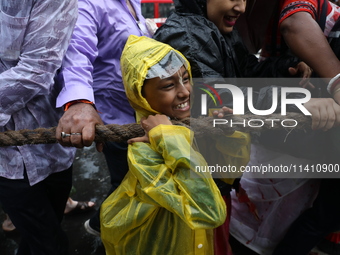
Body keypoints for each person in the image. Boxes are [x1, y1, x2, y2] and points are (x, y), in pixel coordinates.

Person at [153, 0, 340, 254]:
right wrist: (299, 102)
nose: (240, 7)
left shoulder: (217, 29)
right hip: (192, 172)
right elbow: (219, 98)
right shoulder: (185, 35)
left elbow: (247, 69)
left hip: (214, 169)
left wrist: (286, 69)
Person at [100, 34, 251, 255]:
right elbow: (208, 211)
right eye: (169, 85)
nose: (184, 91)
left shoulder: (188, 127)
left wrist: (226, 135)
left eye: (186, 78)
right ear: (140, 95)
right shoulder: (144, 149)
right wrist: (167, 136)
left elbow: (230, 172)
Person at [54, 0, 155, 237]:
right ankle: (103, 227)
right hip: (115, 120)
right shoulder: (88, 3)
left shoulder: (133, 2)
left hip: (139, 113)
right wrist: (79, 102)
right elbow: (76, 52)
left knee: (138, 181)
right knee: (126, 183)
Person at [0, 0, 77, 254]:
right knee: (47, 242)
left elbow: (37, 69)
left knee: (45, 239)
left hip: (48, 148)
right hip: (8, 161)